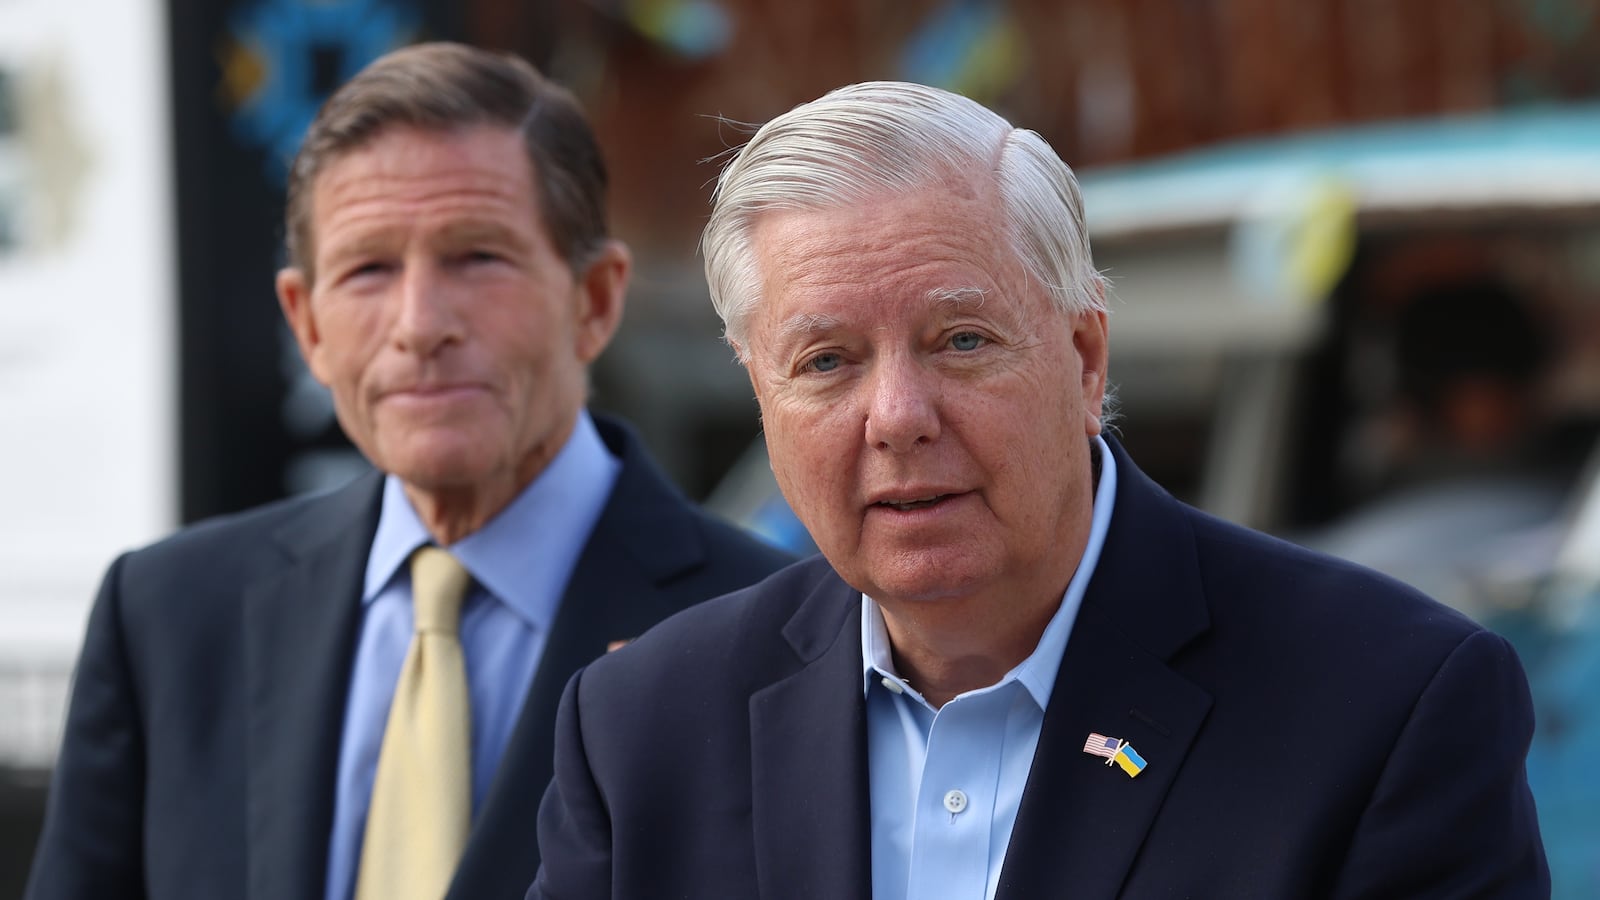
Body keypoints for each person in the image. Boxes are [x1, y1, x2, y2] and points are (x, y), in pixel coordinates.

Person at [530, 81, 1548, 898]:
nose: (896, 415)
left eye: (961, 341)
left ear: (1085, 355)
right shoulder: (645, 728)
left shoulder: (1384, 705)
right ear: (761, 396)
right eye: (827, 362)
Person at [25, 42, 792, 900]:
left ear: (597, 299)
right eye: (367, 270)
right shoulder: (167, 620)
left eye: (478, 258)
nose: (420, 323)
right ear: (306, 324)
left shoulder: (782, 637)